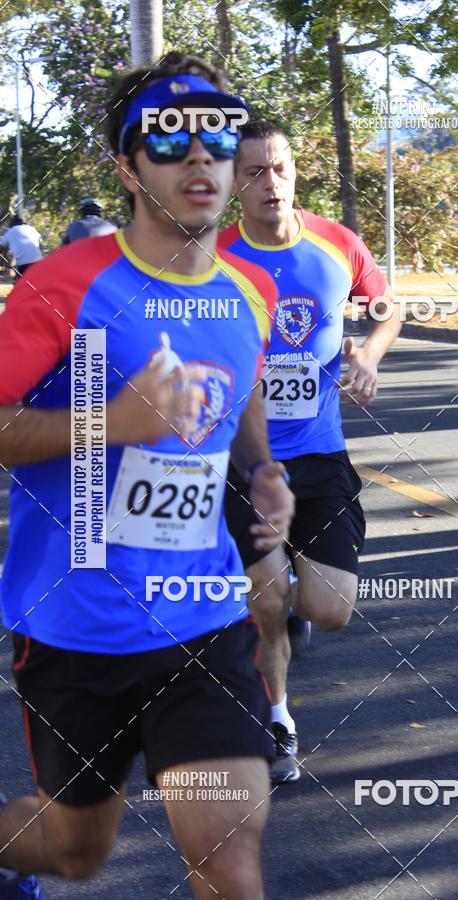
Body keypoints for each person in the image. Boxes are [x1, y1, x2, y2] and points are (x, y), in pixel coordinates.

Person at [0, 54, 294, 900]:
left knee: (229, 865)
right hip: (72, 629)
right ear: (129, 168)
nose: (199, 158)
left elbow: (240, 402)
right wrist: (114, 423)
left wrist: (265, 470)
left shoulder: (247, 294)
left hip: (202, 626)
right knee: (73, 854)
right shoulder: (62, 286)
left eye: (217, 138)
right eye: (169, 144)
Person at [220, 120, 402, 784]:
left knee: (329, 610)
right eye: (254, 172)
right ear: (232, 185)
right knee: (265, 599)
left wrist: (369, 357)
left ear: (296, 171)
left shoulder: (336, 244)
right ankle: (279, 716)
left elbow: (386, 308)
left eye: (280, 168)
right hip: (246, 458)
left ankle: (288, 607)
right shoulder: (214, 256)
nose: (271, 183)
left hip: (321, 453)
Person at [0, 214, 43, 280]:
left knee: (23, 285)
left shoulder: (11, 231)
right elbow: (40, 246)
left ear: (12, 224)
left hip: (23, 264)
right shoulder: (31, 229)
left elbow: (1, 247)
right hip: (39, 262)